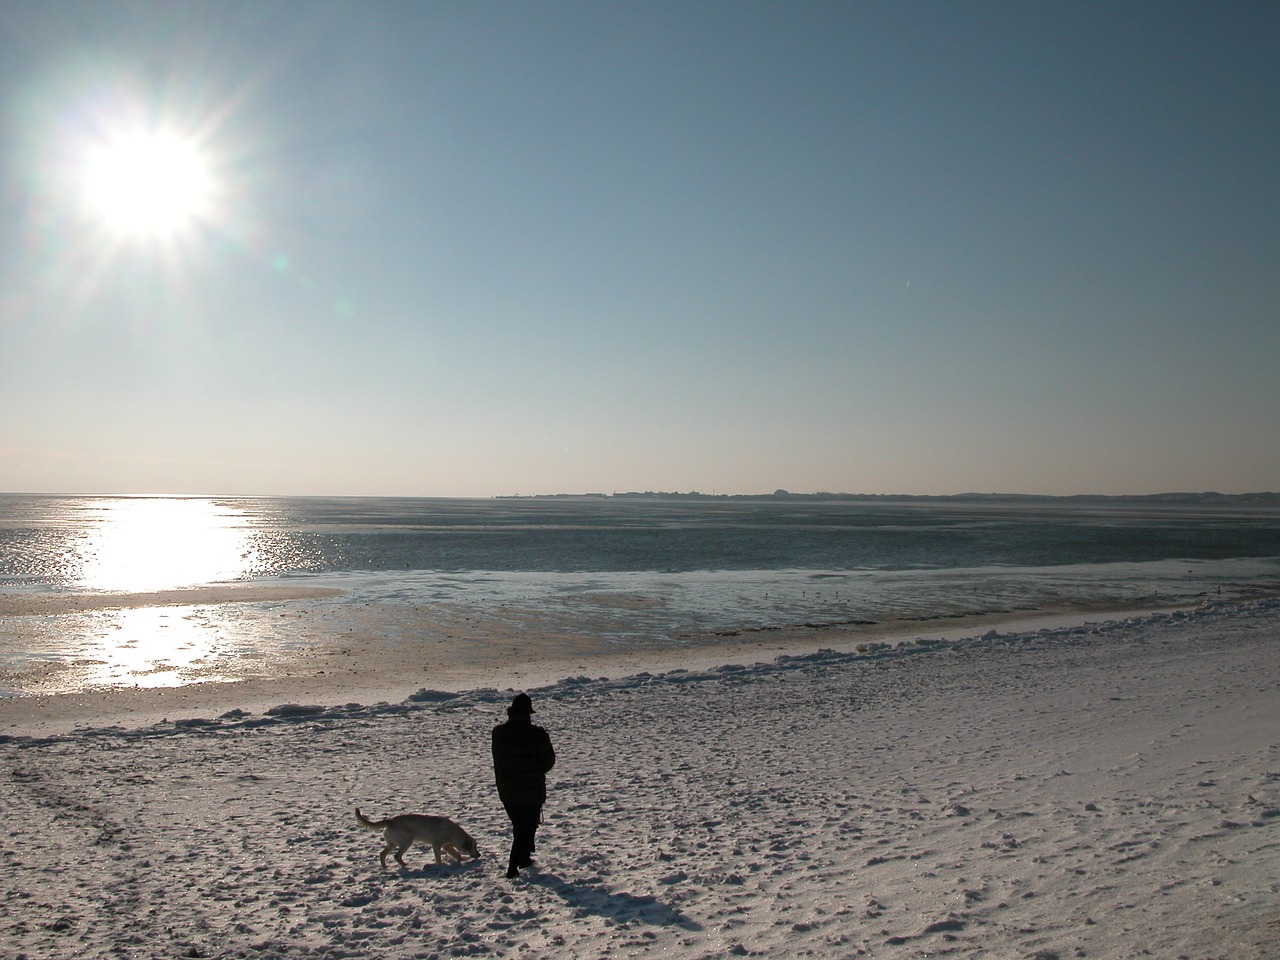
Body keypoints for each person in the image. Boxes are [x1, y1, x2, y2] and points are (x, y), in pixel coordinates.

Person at [491, 692, 556, 879]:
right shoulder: (537, 734)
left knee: (521, 826)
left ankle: (524, 858)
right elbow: (548, 761)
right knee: (525, 828)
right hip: (531, 790)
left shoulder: (498, 733)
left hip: (506, 790)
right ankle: (513, 867)